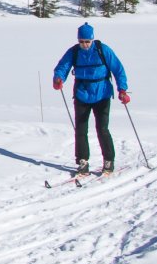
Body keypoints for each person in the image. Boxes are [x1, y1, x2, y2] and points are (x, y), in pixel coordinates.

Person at [52, 22, 130, 176]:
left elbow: (118, 69)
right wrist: (58, 78)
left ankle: (108, 160)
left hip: (102, 94)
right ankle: (82, 161)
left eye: (87, 41)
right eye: (82, 42)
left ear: (92, 40)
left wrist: (122, 89)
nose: (85, 45)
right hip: (82, 93)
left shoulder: (103, 50)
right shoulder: (74, 52)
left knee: (102, 128)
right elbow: (62, 66)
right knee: (80, 129)